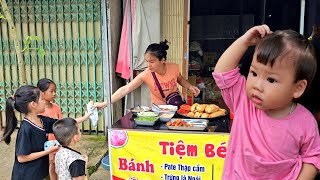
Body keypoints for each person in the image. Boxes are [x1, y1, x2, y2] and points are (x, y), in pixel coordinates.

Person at [213, 25, 320, 179]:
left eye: (271, 79)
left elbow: (312, 158)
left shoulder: (306, 122)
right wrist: (244, 42)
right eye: (254, 73)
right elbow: (222, 73)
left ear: (297, 88)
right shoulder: (243, 101)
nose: (257, 85)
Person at [1, 85, 90, 180]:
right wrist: (48, 151)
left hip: (39, 173)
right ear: (33, 104)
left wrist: (85, 117)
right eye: (42, 99)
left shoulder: (42, 121)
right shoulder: (26, 128)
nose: (45, 102)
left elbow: (63, 124)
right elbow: (22, 158)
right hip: (27, 175)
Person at [94, 40, 200, 109]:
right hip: (159, 110)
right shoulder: (145, 74)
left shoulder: (174, 67)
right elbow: (125, 89)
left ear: (162, 60)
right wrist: (104, 104)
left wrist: (190, 86)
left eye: (152, 62)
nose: (148, 65)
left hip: (177, 105)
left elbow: (180, 79)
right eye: (147, 61)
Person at [37, 78, 63, 180]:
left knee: (57, 165)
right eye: (51, 91)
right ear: (42, 93)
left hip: (57, 142)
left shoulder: (56, 107)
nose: (54, 94)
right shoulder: (38, 111)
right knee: (50, 165)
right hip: (45, 145)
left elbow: (61, 125)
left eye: (55, 91)